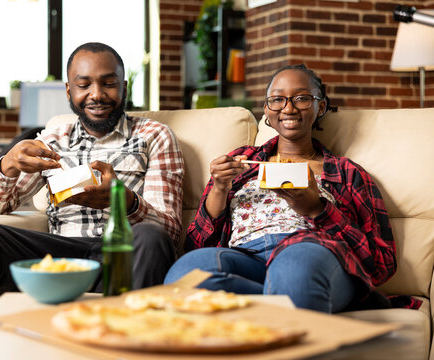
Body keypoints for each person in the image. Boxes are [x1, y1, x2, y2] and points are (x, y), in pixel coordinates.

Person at [0, 42, 184, 345]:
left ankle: (131, 348)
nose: (97, 94)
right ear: (68, 91)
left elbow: (169, 230)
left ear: (124, 86)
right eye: (84, 84)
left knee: (151, 237)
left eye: (108, 83)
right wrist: (8, 165)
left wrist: (121, 199)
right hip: (61, 259)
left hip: (123, 254)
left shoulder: (154, 136)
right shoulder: (52, 142)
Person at [164, 64, 421, 313]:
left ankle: (281, 294)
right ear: (266, 109)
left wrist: (317, 209)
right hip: (244, 259)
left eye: (301, 98)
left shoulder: (347, 173)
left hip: (312, 252)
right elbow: (197, 244)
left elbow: (381, 263)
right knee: (187, 273)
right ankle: (285, 297)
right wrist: (219, 188)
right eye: (277, 99)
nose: (288, 108)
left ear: (321, 106)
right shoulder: (240, 161)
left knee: (294, 269)